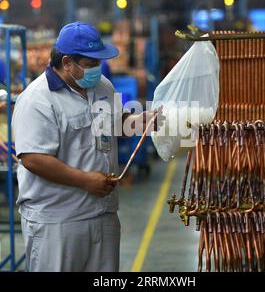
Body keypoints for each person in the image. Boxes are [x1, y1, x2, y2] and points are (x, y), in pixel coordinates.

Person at [12, 21, 162, 272]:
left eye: (98, 63)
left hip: (103, 213)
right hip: (58, 221)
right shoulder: (37, 99)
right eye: (90, 64)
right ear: (67, 63)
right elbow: (33, 158)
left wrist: (140, 122)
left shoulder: (101, 85)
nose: (97, 69)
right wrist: (84, 180)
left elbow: (117, 122)